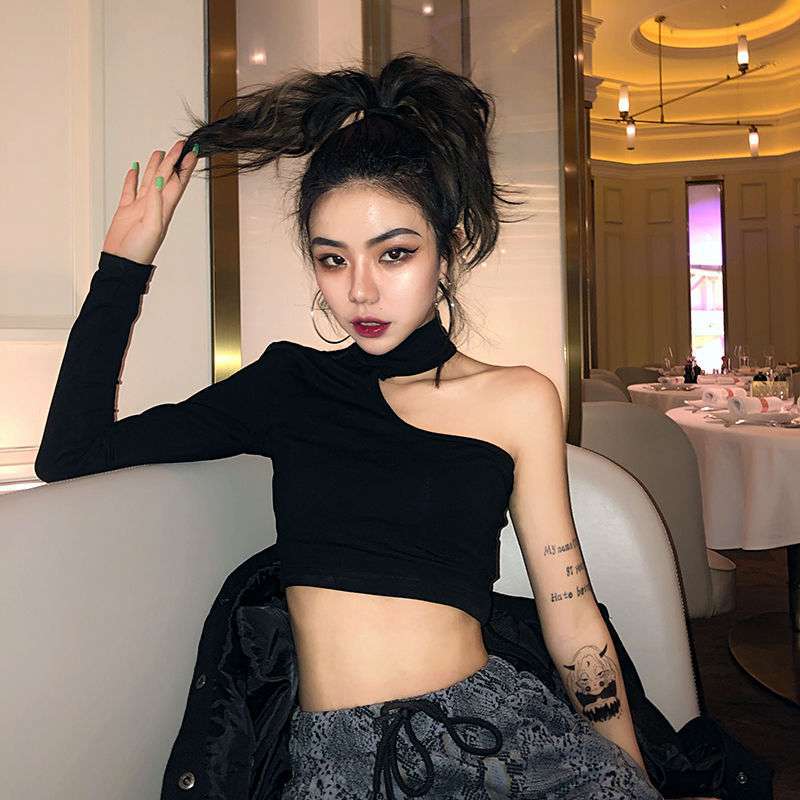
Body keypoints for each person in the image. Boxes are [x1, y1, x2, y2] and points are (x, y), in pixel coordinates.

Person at [35, 54, 725, 799]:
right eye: (332, 260)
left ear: (448, 248)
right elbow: (71, 453)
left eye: (394, 254)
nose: (360, 291)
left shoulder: (518, 398)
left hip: (503, 734)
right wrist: (124, 265)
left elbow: (573, 617)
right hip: (345, 763)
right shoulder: (290, 384)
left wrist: (630, 771)